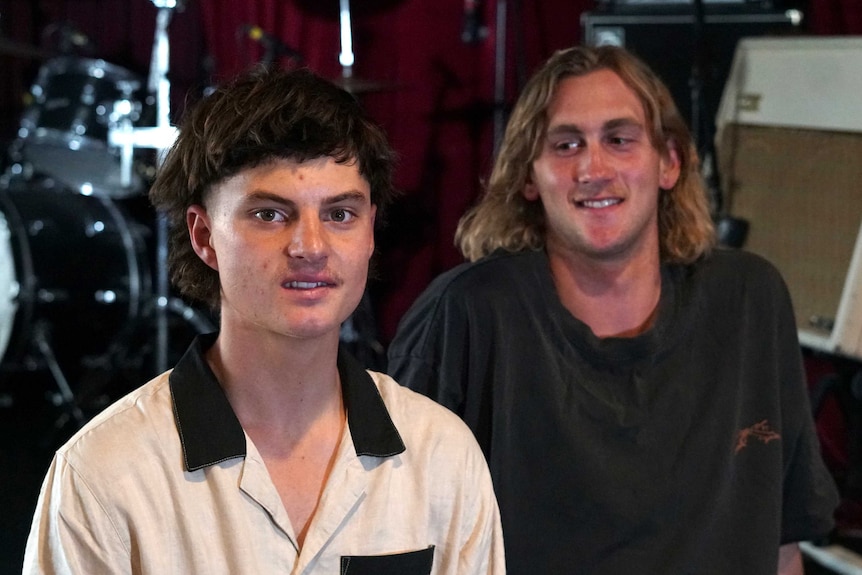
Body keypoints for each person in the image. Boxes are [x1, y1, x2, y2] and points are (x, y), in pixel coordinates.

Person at [23, 66, 504, 574]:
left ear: (369, 234)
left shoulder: (442, 455)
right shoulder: (103, 475)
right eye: (270, 214)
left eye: (340, 214)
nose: (311, 248)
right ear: (204, 236)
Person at [387, 45, 838, 574]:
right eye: (566, 144)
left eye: (619, 140)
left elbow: (781, 542)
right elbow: (396, 534)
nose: (593, 168)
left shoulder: (749, 298)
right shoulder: (467, 313)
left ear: (668, 162)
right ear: (529, 176)